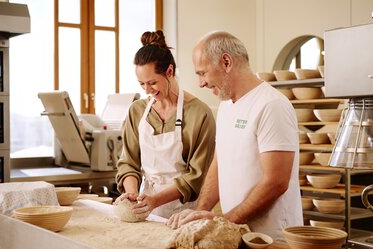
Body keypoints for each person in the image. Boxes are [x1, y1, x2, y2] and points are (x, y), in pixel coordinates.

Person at [167, 31, 303, 240]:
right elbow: (219, 164)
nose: (200, 83)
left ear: (226, 62)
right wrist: (200, 212)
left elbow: (276, 182)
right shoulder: (225, 107)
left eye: (202, 73)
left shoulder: (271, 105)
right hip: (237, 231)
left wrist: (223, 221)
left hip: (270, 237)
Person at [115, 30, 216, 219]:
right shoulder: (137, 111)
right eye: (141, 84)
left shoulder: (199, 114)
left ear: (169, 71)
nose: (147, 90)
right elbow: (128, 162)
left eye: (152, 82)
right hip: (145, 208)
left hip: (187, 211)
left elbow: (197, 176)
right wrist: (132, 194)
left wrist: (155, 201)